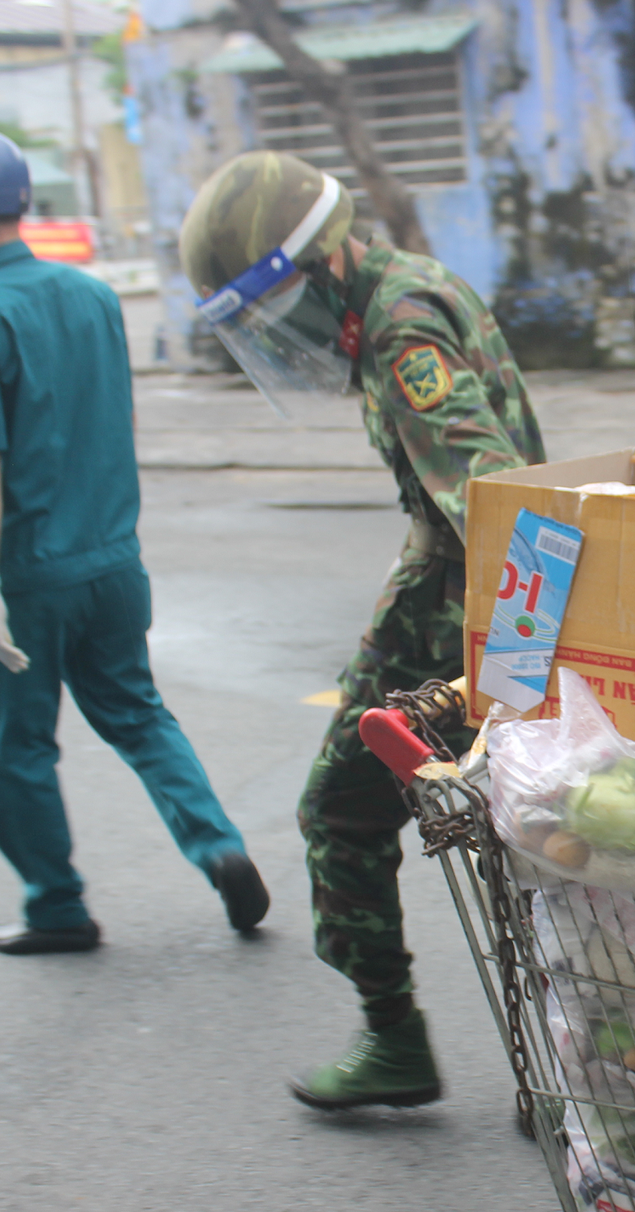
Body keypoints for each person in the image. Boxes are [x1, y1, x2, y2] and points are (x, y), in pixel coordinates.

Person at [179, 152, 547, 1111]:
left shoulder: (400, 327)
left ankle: (397, 1040)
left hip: (469, 607)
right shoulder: (398, 288)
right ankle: (553, 1067)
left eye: (266, 312)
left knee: (344, 809)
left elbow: (500, 505)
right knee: (520, 836)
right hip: (468, 596)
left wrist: (507, 673)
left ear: (311, 268)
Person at [0, 127, 268, 956]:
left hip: (28, 577)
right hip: (114, 563)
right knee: (139, 715)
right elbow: (117, 423)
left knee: (15, 746)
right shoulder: (93, 297)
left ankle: (56, 905)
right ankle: (218, 845)